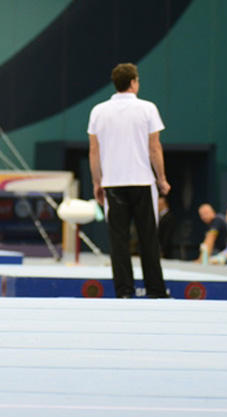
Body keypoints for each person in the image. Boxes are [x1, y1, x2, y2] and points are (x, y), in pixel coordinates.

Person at [87, 62, 170, 299]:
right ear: (133, 82)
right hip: (143, 182)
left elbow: (94, 150)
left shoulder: (98, 111)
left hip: (113, 183)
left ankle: (123, 291)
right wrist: (161, 178)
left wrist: (97, 181)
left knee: (119, 241)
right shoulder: (147, 109)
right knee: (148, 239)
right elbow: (154, 147)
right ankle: (156, 291)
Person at [156, 195, 179, 260]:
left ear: (162, 202)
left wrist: (162, 251)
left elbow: (167, 236)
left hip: (167, 253)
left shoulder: (169, 217)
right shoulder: (160, 217)